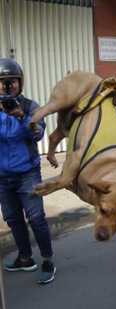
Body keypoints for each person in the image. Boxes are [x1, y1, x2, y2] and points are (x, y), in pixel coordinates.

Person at [0, 58, 56, 284]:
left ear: (20, 83)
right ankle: (25, 257)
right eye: (2, 82)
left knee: (36, 218)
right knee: (13, 219)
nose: (7, 85)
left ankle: (48, 261)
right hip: (3, 178)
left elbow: (37, 134)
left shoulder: (29, 107)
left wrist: (20, 117)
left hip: (27, 174)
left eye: (11, 81)